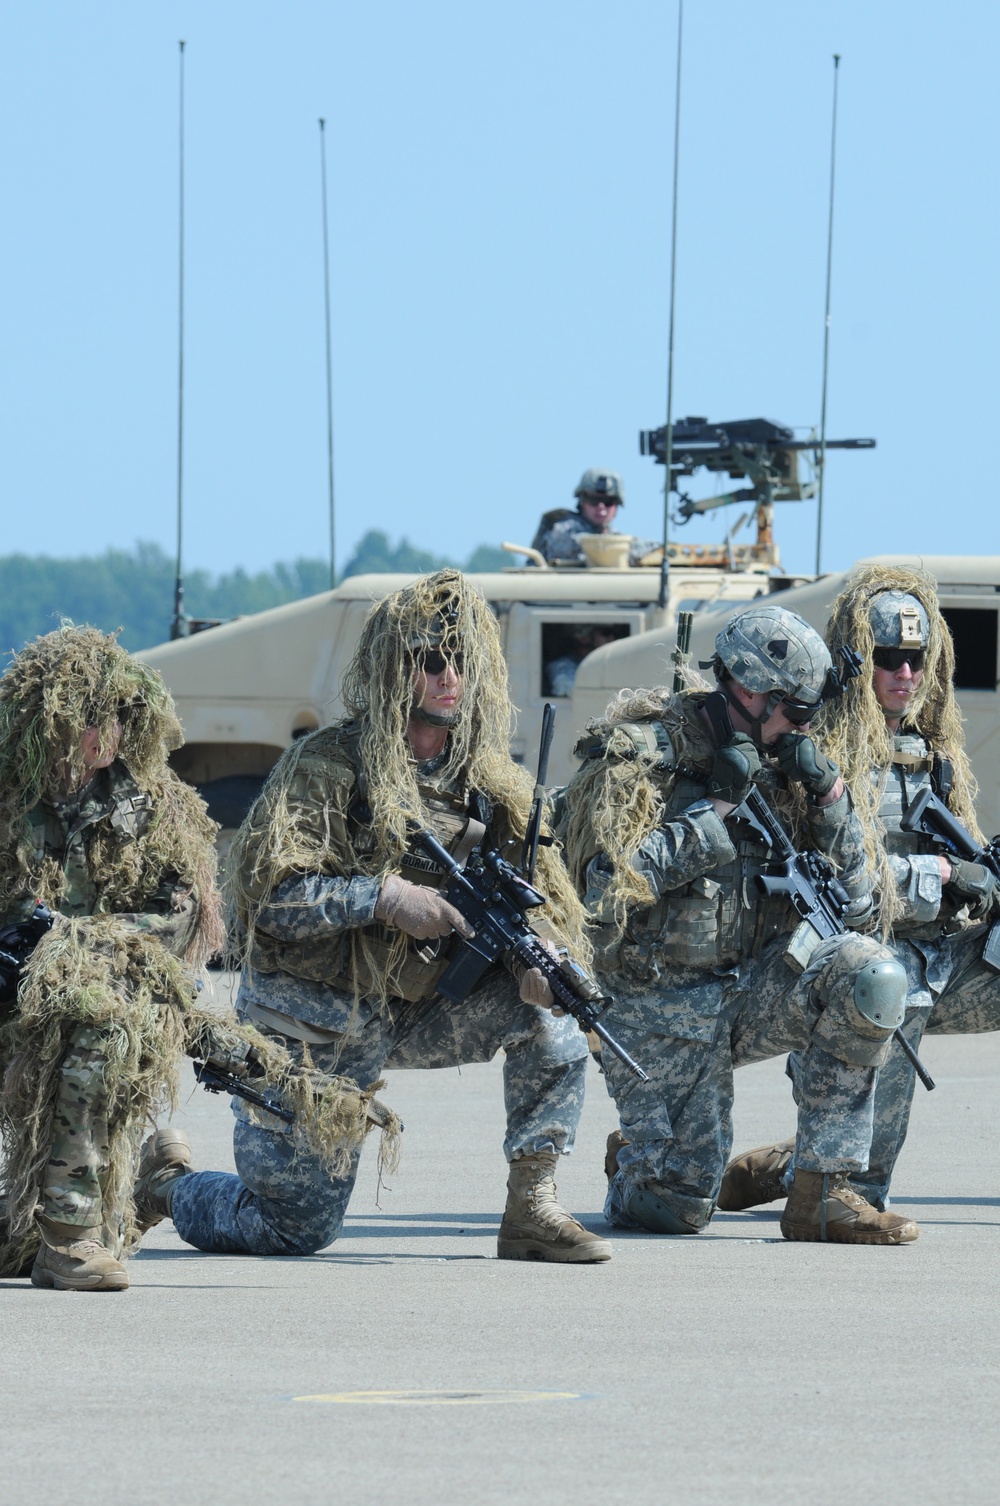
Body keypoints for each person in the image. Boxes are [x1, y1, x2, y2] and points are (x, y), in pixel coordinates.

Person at [153, 569, 612, 1263]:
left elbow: (542, 906)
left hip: (417, 1008)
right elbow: (267, 903)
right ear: (397, 668)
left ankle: (533, 1208)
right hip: (311, 1017)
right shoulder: (326, 767)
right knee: (291, 1230)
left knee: (552, 1020)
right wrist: (382, 897)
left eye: (461, 659)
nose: (448, 674)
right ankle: (166, 1185)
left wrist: (537, 961)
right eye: (430, 659)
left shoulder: (493, 790)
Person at [557, 601, 920, 1245]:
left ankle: (821, 1192)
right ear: (747, 689)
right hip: (657, 1003)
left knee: (871, 974)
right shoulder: (639, 757)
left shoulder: (790, 764)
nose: (800, 729)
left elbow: (864, 907)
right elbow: (600, 892)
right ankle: (644, 1158)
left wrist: (832, 799)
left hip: (750, 991)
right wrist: (716, 811)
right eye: (796, 711)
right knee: (678, 1208)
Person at [719, 566, 1000, 1215]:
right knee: (862, 1186)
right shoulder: (820, 755)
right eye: (889, 658)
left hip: (939, 958)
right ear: (858, 661)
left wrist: (982, 883)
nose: (905, 673)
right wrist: (947, 879)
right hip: (855, 964)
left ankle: (794, 1163)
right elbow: (837, 882)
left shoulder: (934, 752)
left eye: (916, 658)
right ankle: (810, 1170)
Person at [0, 625, 225, 1291]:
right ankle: (146, 1189)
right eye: (93, 717)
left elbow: (182, 909)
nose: (107, 735)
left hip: (107, 1006)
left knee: (98, 1024)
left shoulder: (154, 805)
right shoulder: (10, 801)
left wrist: (84, 943)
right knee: (9, 1248)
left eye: (121, 718)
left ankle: (70, 1238)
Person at [532, 468, 657, 566]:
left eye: (608, 501)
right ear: (582, 502)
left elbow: (633, 545)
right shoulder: (564, 529)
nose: (601, 507)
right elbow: (598, 550)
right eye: (594, 500)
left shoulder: (613, 536)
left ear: (617, 506)